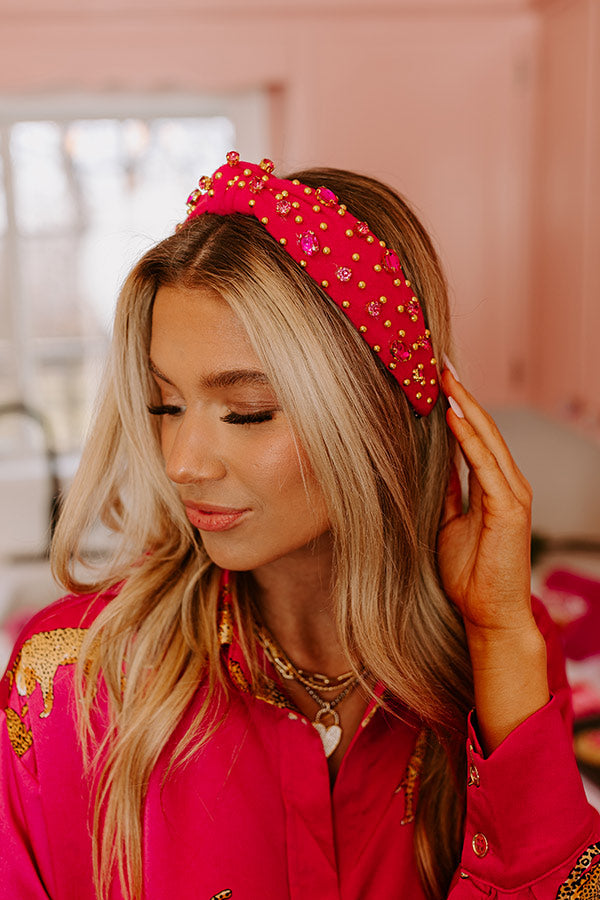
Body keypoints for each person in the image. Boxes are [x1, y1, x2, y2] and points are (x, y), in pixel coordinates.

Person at [1, 153, 598, 900]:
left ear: (379, 413)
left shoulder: (501, 655)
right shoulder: (69, 683)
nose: (181, 463)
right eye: (164, 405)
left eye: (246, 412)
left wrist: (500, 636)